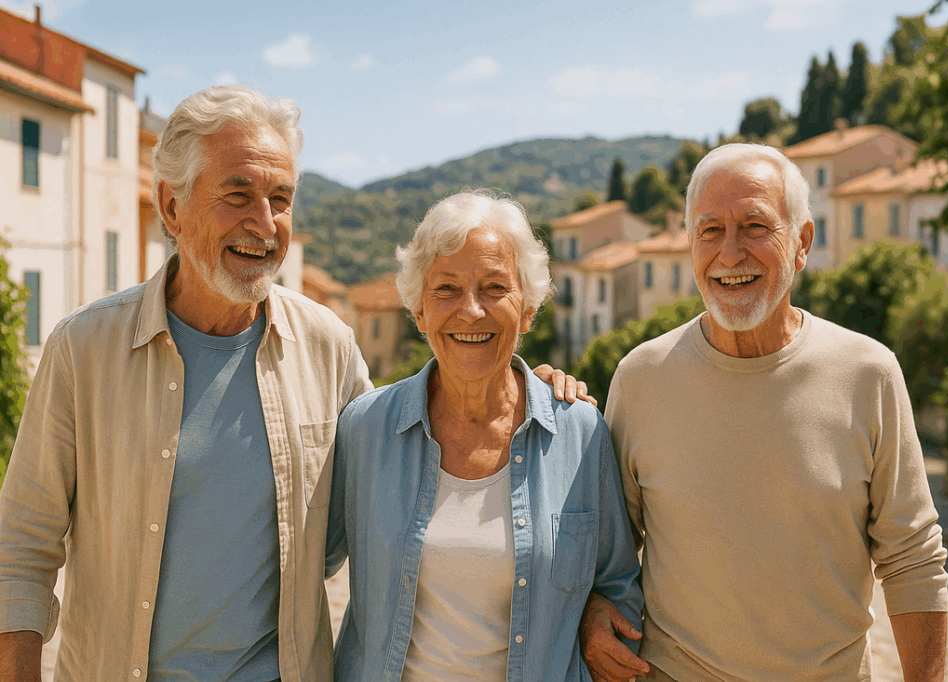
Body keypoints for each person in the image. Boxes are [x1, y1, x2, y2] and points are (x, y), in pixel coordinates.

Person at [0, 86, 587, 682]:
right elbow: (20, 549)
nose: (264, 224)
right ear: (171, 208)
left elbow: (414, 452)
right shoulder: (84, 349)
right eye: (238, 196)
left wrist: (518, 390)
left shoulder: (327, 346)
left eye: (280, 199)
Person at [581, 143, 948, 682]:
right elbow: (603, 555)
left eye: (755, 226)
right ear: (690, 245)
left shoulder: (868, 372)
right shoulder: (640, 378)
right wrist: (592, 614)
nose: (730, 253)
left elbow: (913, 557)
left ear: (801, 243)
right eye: (709, 231)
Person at [325, 190, 643, 681]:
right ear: (419, 312)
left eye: (495, 287)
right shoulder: (364, 429)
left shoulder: (580, 433)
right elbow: (302, 563)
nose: (471, 311)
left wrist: (597, 614)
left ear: (529, 310)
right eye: (447, 289)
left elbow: (618, 580)